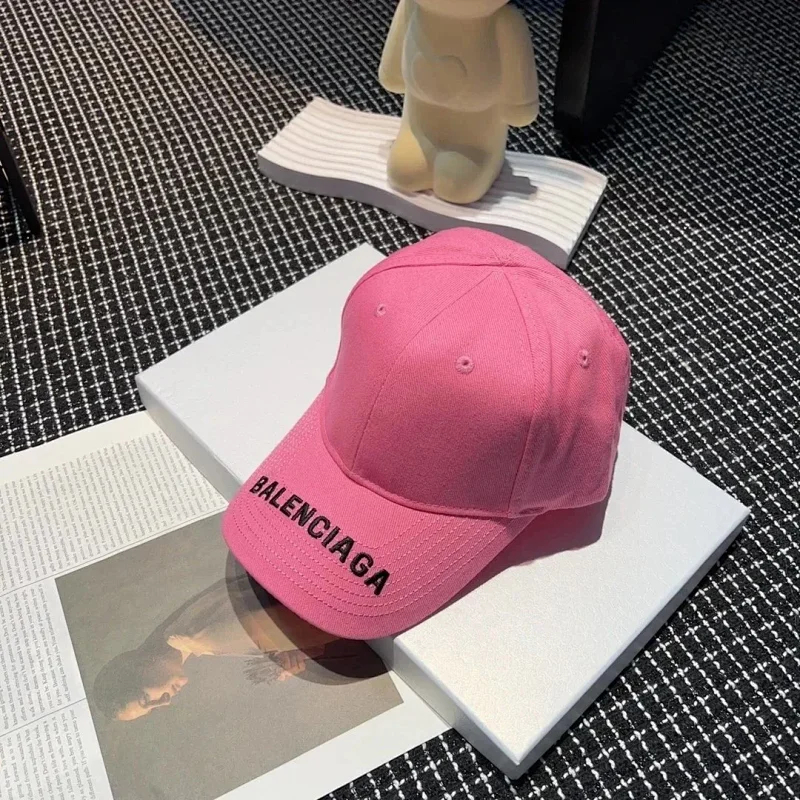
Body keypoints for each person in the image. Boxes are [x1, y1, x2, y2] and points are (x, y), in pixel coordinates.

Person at [93, 555, 384, 721]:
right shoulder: (182, 632)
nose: (164, 703)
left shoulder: (201, 639)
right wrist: (287, 648)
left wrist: (307, 650)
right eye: (152, 709)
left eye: (147, 699)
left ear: (135, 665)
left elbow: (328, 621)